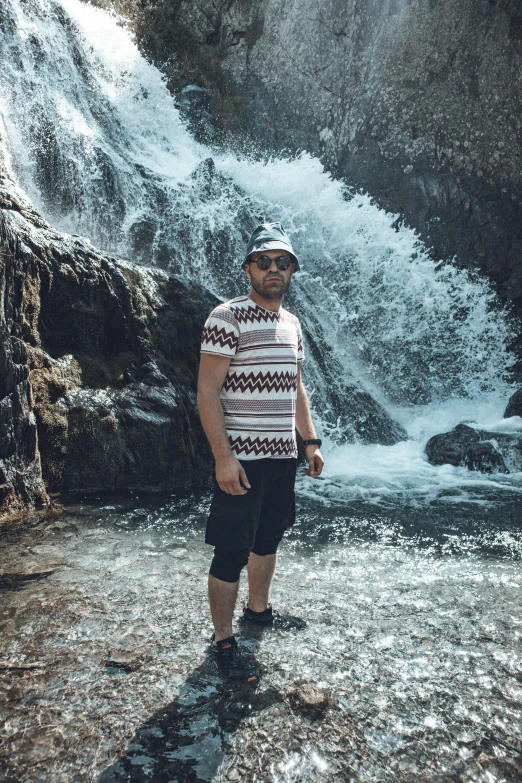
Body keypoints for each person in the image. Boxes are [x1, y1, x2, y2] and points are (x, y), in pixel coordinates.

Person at [197, 222, 324, 676]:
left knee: (268, 538)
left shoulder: (292, 323)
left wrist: (309, 441)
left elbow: (296, 386)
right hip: (243, 458)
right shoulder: (226, 316)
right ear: (248, 267)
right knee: (231, 549)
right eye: (265, 261)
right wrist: (223, 457)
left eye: (282, 262)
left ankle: (258, 612)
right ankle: (223, 639)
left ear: (292, 270)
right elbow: (207, 391)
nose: (274, 269)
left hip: (280, 456)